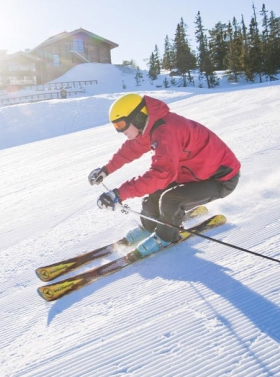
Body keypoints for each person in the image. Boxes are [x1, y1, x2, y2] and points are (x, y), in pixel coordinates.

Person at [88, 93, 240, 257]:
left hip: (220, 178)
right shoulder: (150, 127)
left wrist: (119, 194)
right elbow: (131, 149)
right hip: (193, 173)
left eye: (122, 124)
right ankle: (149, 226)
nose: (120, 130)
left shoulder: (166, 131)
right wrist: (106, 170)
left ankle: (165, 237)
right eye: (116, 126)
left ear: (138, 117)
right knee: (154, 193)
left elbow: (161, 174)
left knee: (170, 200)